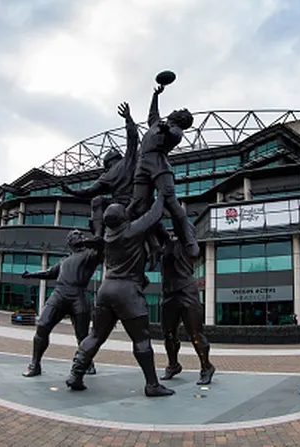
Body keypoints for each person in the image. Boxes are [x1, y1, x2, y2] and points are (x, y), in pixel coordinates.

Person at [67, 196, 175, 397]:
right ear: (124, 218)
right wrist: (162, 193)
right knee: (141, 339)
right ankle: (152, 384)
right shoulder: (132, 231)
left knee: (95, 336)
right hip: (127, 292)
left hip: (106, 290)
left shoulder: (108, 235)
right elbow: (154, 213)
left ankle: (76, 374)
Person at [126, 84, 197, 256]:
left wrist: (166, 130)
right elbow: (152, 114)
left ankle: (189, 239)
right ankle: (152, 243)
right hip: (142, 164)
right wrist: (155, 95)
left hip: (159, 163)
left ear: (181, 119)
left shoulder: (176, 130)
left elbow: (173, 136)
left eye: (178, 110)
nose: (174, 110)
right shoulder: (157, 123)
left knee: (171, 201)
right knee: (138, 204)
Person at [21, 230, 103, 378]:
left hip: (78, 295)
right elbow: (49, 273)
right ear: (69, 242)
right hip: (59, 294)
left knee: (82, 335)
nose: (77, 235)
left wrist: (91, 240)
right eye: (73, 235)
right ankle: (35, 364)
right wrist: (31, 275)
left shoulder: (91, 254)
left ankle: (87, 363)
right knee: (43, 325)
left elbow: (103, 247)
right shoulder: (64, 261)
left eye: (78, 234)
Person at [60, 103, 139, 238]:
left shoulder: (109, 174)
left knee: (97, 200)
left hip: (119, 205)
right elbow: (133, 138)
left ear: (106, 164)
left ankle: (98, 235)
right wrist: (128, 119)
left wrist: (70, 191)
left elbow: (88, 191)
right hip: (131, 203)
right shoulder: (127, 161)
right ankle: (98, 235)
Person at [158, 225, 215, 385]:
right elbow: (157, 225)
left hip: (187, 291)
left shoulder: (190, 245)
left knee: (195, 334)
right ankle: (173, 365)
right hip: (169, 292)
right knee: (168, 334)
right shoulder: (167, 244)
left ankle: (206, 367)